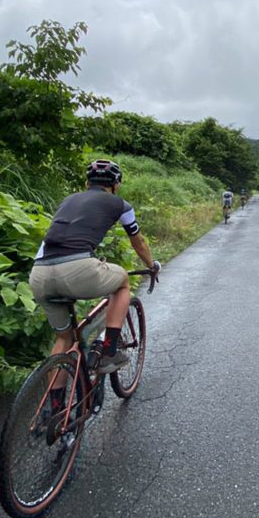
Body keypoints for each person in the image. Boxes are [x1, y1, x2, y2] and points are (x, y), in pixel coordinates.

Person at [29, 160, 160, 377]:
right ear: (116, 185)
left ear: (86, 182)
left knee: (64, 338)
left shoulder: (68, 201)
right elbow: (138, 243)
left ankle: (54, 407)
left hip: (39, 273)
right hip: (77, 267)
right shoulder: (120, 204)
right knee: (122, 282)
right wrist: (151, 265)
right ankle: (109, 350)